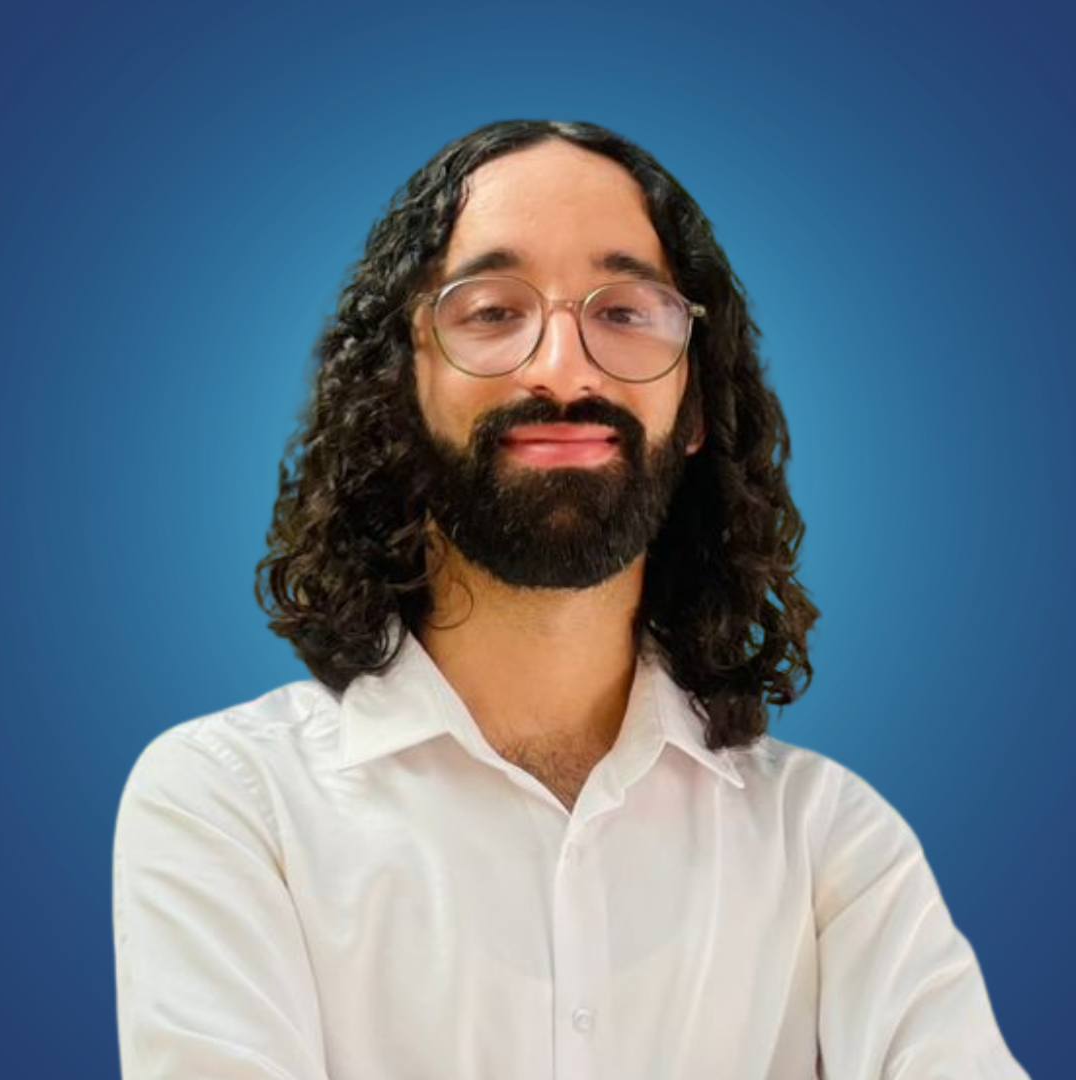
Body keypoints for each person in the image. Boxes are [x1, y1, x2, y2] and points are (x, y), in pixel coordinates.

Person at [112, 120, 1028, 1079]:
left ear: (696, 409)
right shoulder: (230, 806)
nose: (560, 369)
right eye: (493, 311)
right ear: (398, 388)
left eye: (625, 311)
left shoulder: (831, 845)